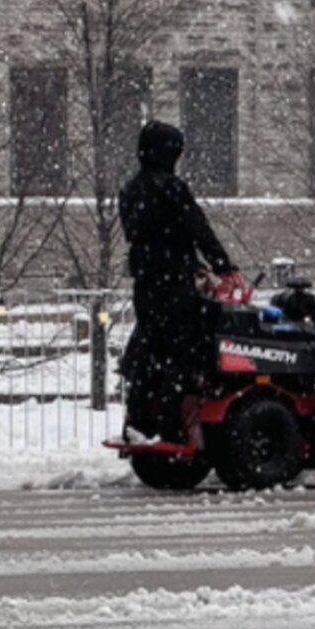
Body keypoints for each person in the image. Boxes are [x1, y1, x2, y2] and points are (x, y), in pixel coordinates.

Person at [119, 121, 247, 441]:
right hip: (175, 283)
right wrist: (221, 265)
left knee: (149, 350)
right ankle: (171, 426)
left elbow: (139, 234)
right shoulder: (172, 187)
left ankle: (138, 420)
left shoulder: (130, 190)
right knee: (182, 354)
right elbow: (196, 228)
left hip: (146, 283)